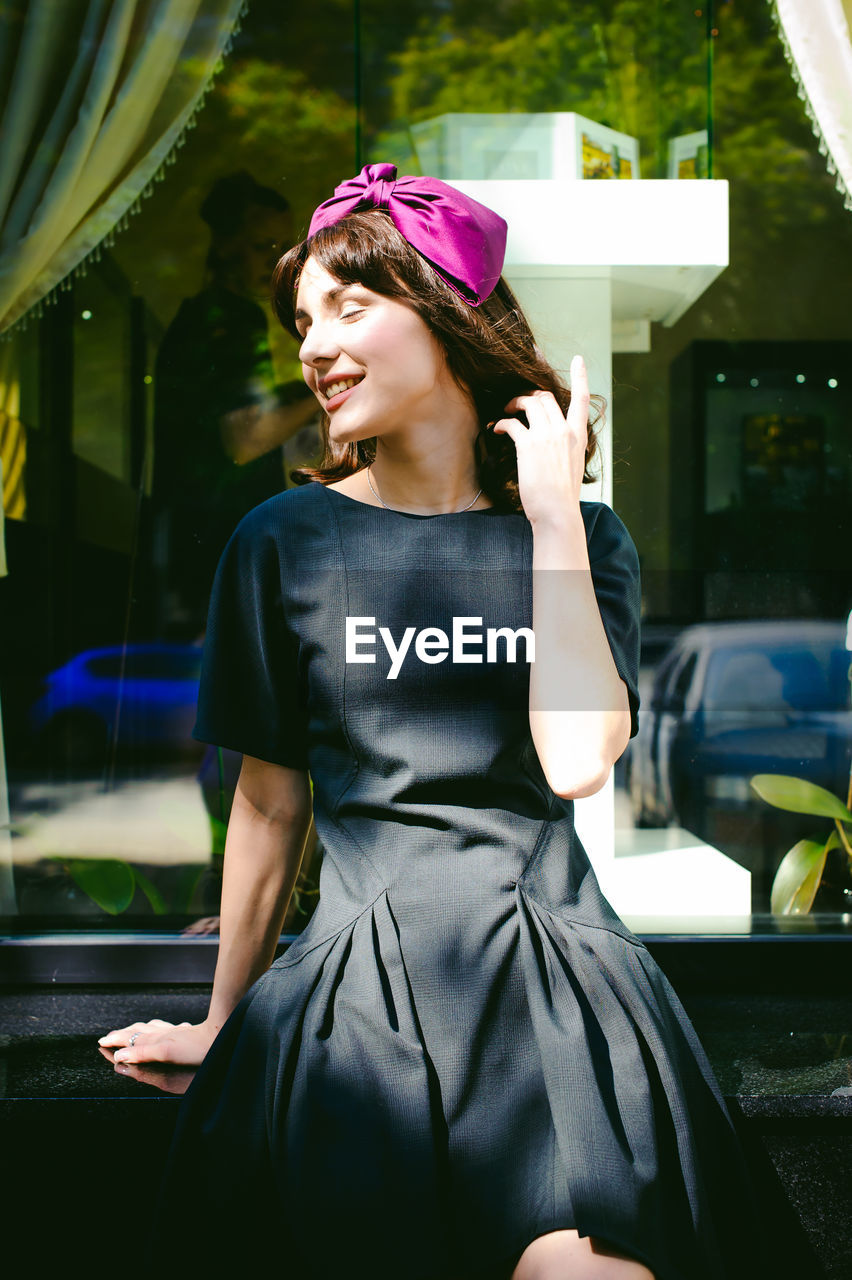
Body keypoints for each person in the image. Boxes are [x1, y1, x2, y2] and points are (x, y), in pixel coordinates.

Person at [100, 164, 765, 1278]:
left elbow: (574, 757)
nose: (314, 345)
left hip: (552, 979)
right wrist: (224, 1020)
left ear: (447, 315)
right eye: (305, 319)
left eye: (351, 308)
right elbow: (269, 802)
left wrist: (555, 514)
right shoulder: (283, 542)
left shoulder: (583, 544)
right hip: (360, 982)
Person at [150, 170, 320, 637]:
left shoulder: (199, 317)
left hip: (193, 545)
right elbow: (247, 439)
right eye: (260, 246)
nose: (275, 262)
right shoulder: (227, 319)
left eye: (284, 248)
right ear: (224, 244)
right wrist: (330, 389)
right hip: (215, 549)